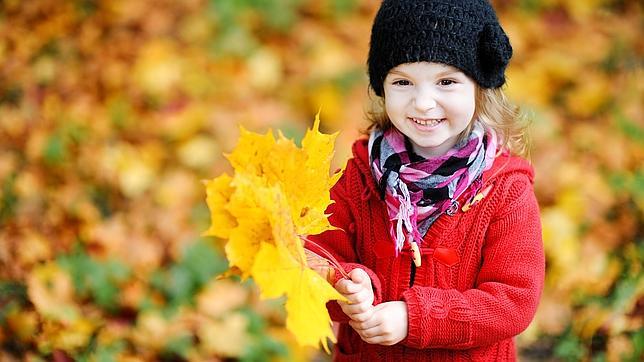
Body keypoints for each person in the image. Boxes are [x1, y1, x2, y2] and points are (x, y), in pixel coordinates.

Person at [308, 0, 545, 360]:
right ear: (382, 87)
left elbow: (514, 300)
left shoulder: (506, 191)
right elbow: (319, 257)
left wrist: (415, 317)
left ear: (480, 87)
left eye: (446, 81)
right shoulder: (358, 176)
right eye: (403, 81)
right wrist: (350, 285)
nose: (422, 103)